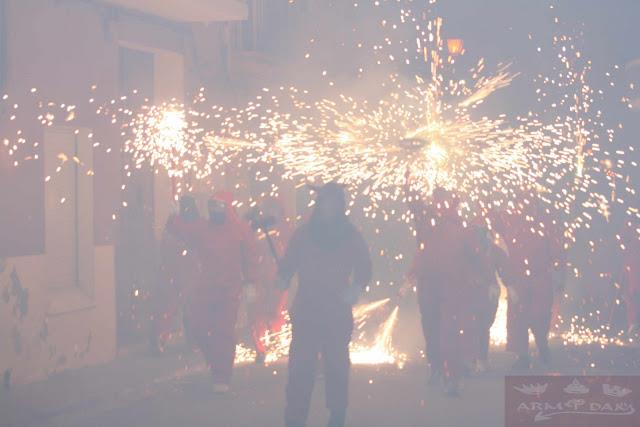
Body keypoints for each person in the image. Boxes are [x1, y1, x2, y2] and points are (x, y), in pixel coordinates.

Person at [276, 183, 372, 427]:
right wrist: (283, 275)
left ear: (341, 206)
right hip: (307, 310)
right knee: (300, 367)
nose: (328, 208)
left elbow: (365, 266)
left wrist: (357, 286)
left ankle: (337, 414)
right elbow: (289, 262)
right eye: (325, 203)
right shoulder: (304, 234)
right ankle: (295, 418)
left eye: (333, 203)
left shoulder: (350, 235)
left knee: (337, 366)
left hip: (336, 311)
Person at [168, 191, 259, 393]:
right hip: (206, 288)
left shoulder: (240, 229)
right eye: (211, 207)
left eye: (218, 206)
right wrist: (173, 218)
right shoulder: (204, 227)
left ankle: (222, 376)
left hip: (229, 291)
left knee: (224, 332)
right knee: (197, 326)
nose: (214, 210)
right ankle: (215, 362)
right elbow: (185, 231)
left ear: (227, 207)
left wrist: (250, 282)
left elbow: (250, 255)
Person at [406, 184, 476, 396]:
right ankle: (437, 368)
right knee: (431, 329)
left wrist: (476, 280)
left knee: (449, 331)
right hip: (428, 284)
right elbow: (413, 202)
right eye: (436, 197)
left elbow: (471, 255)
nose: (438, 202)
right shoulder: (425, 218)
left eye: (442, 197)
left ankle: (451, 376)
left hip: (451, 285)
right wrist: (409, 177)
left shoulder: (458, 224)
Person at [496, 192, 565, 371]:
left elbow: (556, 250)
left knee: (539, 316)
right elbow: (494, 222)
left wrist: (558, 272)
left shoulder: (545, 222)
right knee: (518, 319)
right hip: (519, 279)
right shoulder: (511, 220)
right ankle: (523, 355)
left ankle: (542, 345)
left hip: (540, 278)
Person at [150, 195, 201, 354]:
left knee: (183, 308)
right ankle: (185, 341)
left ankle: (167, 339)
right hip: (182, 272)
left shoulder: (176, 223)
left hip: (181, 271)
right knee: (184, 308)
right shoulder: (182, 223)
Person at [247, 197, 293, 364]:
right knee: (256, 313)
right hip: (258, 277)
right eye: (268, 209)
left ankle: (276, 340)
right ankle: (260, 348)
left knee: (275, 311)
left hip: (277, 276)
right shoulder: (255, 227)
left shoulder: (285, 228)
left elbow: (293, 250)